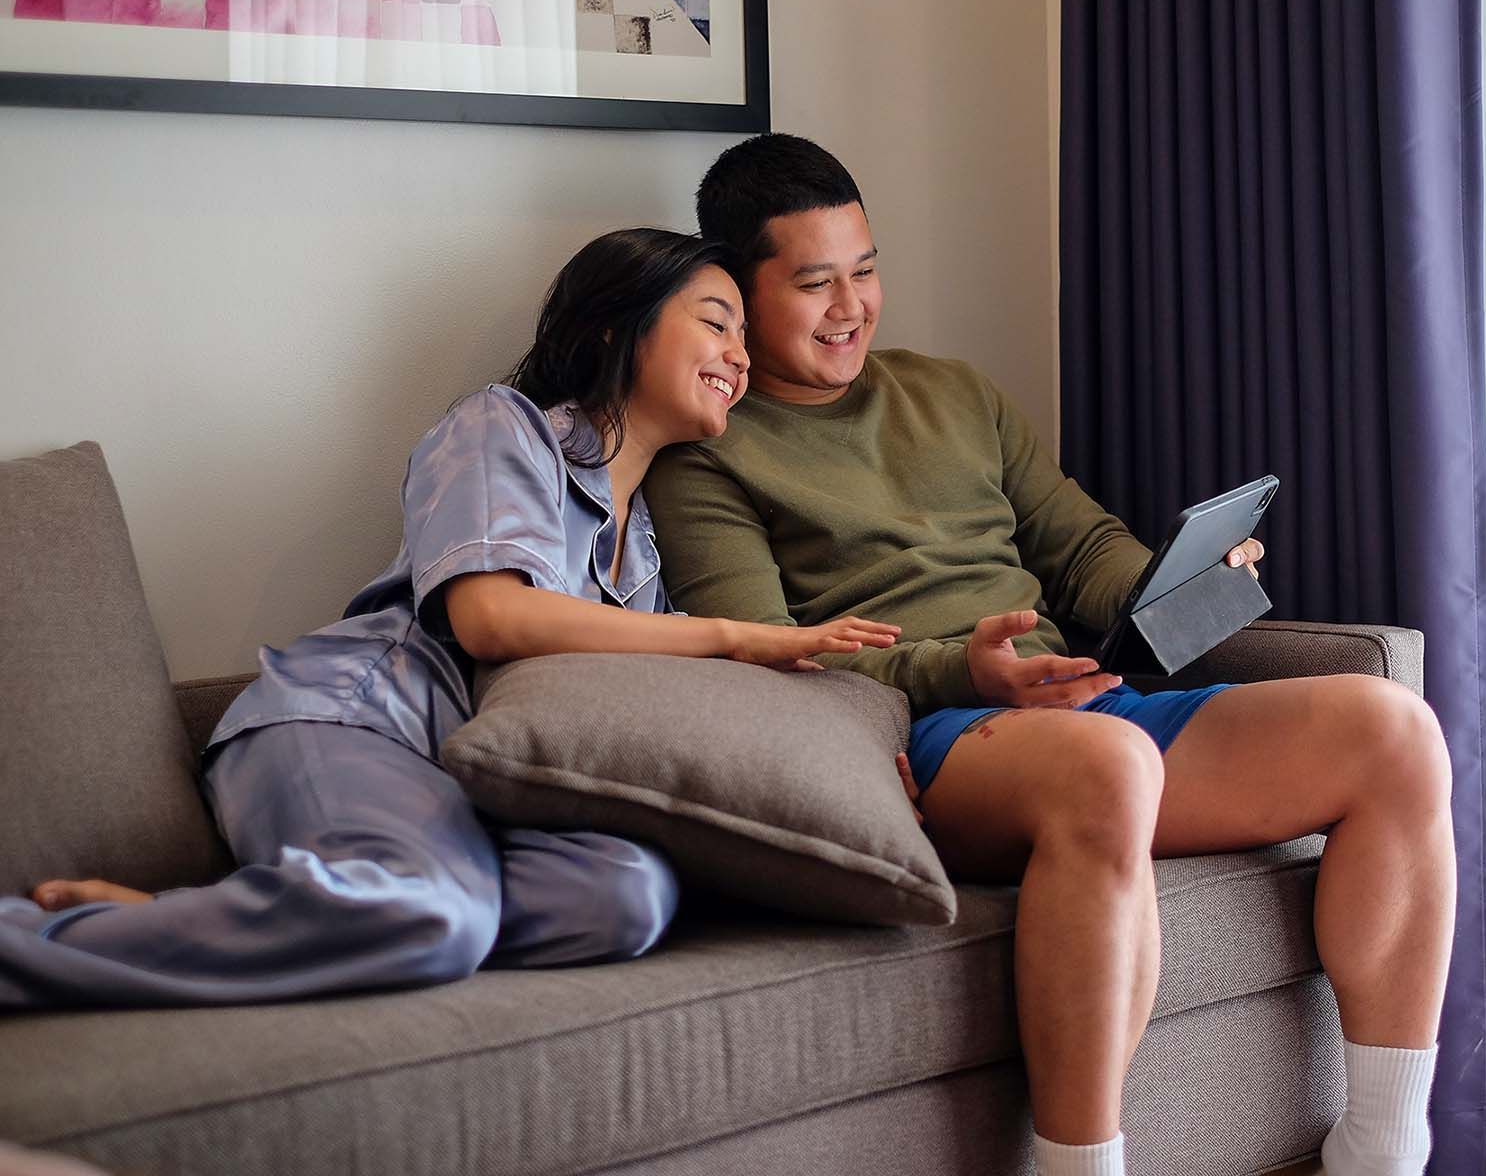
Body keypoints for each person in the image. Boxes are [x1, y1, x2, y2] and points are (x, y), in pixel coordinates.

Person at [642, 135, 1456, 1176]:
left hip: (1078, 710)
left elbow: (1084, 552)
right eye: (814, 283)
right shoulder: (709, 454)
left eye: (866, 269)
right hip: (932, 737)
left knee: (1392, 730)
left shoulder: (953, 394)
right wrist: (962, 673)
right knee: (1111, 765)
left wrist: (1181, 579)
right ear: (739, 290)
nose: (851, 306)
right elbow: (772, 659)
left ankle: (1383, 1150)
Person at [0, 227, 900, 1010]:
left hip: (480, 795)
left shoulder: (650, 558)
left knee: (623, 896)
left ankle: (243, 918)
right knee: (435, 910)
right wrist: (732, 635)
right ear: (612, 328)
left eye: (745, 332)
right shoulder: (503, 428)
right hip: (355, 727)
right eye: (716, 321)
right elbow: (490, 617)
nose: (742, 355)